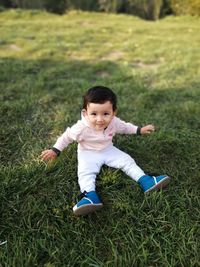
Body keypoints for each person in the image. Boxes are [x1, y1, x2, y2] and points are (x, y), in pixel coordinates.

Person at [41, 86, 170, 216]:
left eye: (106, 114)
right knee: (85, 173)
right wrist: (55, 150)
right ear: (85, 113)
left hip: (108, 149)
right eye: (94, 114)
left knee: (127, 160)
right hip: (87, 153)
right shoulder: (80, 128)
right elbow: (66, 137)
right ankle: (89, 196)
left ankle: (145, 181)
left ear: (114, 112)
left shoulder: (114, 122)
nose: (100, 119)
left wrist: (139, 130)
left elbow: (125, 127)